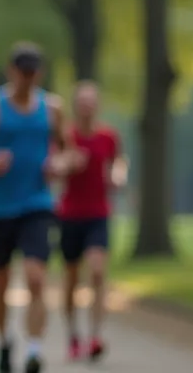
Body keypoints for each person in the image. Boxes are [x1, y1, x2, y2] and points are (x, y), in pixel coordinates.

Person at [0, 42, 77, 373]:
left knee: (37, 278)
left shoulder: (52, 109)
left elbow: (70, 152)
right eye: (22, 72)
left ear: (40, 73)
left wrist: (59, 165)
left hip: (37, 204)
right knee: (1, 281)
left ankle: (35, 350)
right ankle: (5, 339)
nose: (27, 79)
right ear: (11, 72)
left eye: (33, 72)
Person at [57, 80, 127, 362]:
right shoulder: (66, 135)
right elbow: (54, 164)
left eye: (91, 101)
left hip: (98, 213)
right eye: (82, 101)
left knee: (97, 273)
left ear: (97, 105)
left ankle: (95, 336)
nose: (87, 106)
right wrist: (68, 163)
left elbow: (119, 161)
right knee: (72, 278)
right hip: (70, 214)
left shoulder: (108, 136)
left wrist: (118, 176)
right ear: (76, 105)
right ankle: (73, 336)